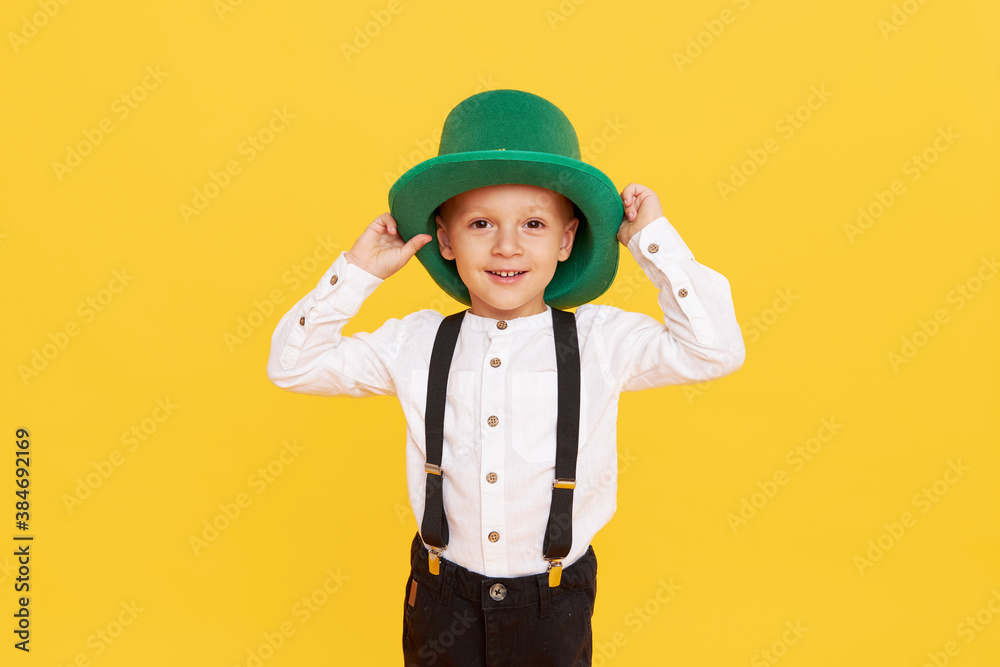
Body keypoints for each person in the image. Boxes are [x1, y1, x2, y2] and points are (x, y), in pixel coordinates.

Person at [266, 89, 745, 666]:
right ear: (445, 239)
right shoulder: (416, 343)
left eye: (535, 223)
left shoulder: (601, 341)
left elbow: (715, 350)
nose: (507, 246)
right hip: (443, 597)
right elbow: (292, 365)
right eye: (481, 222)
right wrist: (358, 272)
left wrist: (653, 240)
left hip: (554, 603)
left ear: (567, 240)